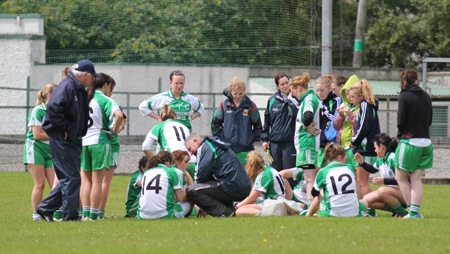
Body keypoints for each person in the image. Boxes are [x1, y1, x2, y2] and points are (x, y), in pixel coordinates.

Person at [37, 60, 98, 222]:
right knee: (71, 178)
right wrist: (64, 129)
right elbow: (53, 108)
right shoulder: (68, 87)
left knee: (69, 177)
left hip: (72, 137)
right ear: (85, 75)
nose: (93, 79)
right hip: (63, 137)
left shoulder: (76, 88)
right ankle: (70, 216)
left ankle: (46, 208)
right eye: (92, 76)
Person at [80, 73, 123, 221]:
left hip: (84, 141)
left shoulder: (85, 97)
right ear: (105, 85)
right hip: (99, 141)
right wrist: (113, 131)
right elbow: (119, 115)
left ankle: (85, 214)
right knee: (97, 181)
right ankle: (94, 215)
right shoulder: (104, 99)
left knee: (86, 180)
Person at [395, 69, 433, 219]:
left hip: (410, 142)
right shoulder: (426, 95)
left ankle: (412, 213)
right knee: (416, 179)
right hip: (426, 142)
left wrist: (400, 136)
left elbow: (400, 121)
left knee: (401, 177)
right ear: (417, 81)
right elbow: (429, 120)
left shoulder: (404, 96)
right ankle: (416, 213)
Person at [185, 133, 251, 217]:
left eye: (190, 149)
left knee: (192, 190)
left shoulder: (205, 147)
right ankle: (230, 211)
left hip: (231, 186)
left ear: (196, 141)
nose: (190, 153)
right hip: (243, 187)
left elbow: (201, 175)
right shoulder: (216, 144)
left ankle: (224, 213)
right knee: (216, 185)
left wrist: (200, 202)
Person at [24, 83, 58, 221]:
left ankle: (52, 212)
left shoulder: (55, 110)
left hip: (50, 149)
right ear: (49, 95)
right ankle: (36, 214)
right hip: (35, 148)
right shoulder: (39, 110)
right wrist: (57, 135)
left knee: (54, 184)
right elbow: (37, 135)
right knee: (40, 183)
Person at [306, 143, 368, 217]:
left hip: (333, 213)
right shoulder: (350, 168)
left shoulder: (323, 171)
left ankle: (308, 214)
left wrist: (323, 193)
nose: (346, 160)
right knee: (364, 201)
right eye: (345, 158)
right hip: (354, 212)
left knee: (320, 192)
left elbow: (314, 193)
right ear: (340, 157)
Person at [354, 133, 407, 217]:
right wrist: (362, 162)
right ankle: (394, 210)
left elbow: (403, 178)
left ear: (382, 147)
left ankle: (404, 214)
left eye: (375, 148)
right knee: (366, 199)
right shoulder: (381, 160)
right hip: (391, 192)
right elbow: (372, 169)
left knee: (382, 191)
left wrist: (384, 180)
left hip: (405, 193)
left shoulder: (392, 158)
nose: (375, 150)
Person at [211, 77, 262, 164]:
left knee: (247, 176)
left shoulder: (250, 106)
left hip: (246, 150)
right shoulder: (225, 105)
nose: (238, 96)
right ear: (231, 92)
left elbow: (258, 125)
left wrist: (251, 138)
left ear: (244, 91)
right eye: (235, 94)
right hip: (228, 149)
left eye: (240, 93)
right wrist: (222, 138)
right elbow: (215, 122)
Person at [348, 79, 380, 217]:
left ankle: (371, 209)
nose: (350, 99)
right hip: (362, 148)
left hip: (366, 149)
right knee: (359, 181)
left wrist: (354, 140)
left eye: (353, 96)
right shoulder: (365, 105)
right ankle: (363, 208)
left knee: (362, 182)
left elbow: (364, 127)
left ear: (360, 96)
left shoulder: (366, 105)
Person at [261, 73, 299, 187]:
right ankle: (277, 197)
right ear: (278, 86)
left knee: (289, 173)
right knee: (275, 173)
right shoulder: (272, 100)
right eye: (282, 84)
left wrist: (290, 101)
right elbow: (267, 120)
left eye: (287, 83)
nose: (286, 85)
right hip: (275, 143)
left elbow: (299, 115)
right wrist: (265, 139)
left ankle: (291, 199)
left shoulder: (295, 99)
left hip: (290, 143)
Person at [98, 73, 126, 219]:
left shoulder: (92, 101)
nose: (111, 92)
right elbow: (121, 121)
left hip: (94, 141)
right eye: (111, 88)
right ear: (106, 86)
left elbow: (122, 122)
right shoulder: (108, 102)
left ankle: (88, 211)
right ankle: (99, 213)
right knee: (104, 180)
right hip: (108, 142)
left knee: (90, 179)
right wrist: (113, 132)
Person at [142, 104, 195, 179]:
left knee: (173, 189)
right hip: (191, 161)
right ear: (175, 118)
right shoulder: (184, 127)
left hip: (175, 161)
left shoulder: (160, 126)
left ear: (162, 118)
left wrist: (154, 162)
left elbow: (145, 146)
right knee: (191, 189)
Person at [291, 72, 321, 207]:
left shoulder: (309, 99)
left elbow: (308, 116)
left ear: (299, 88)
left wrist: (305, 126)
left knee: (309, 179)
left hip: (307, 143)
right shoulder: (307, 99)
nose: (293, 94)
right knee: (309, 177)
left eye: (293, 91)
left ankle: (310, 205)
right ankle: (311, 204)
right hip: (305, 144)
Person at [139, 70, 204, 130]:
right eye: (176, 83)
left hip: (185, 135)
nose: (179, 86)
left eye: (181, 83)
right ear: (171, 83)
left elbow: (201, 107)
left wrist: (190, 118)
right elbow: (143, 106)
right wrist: (158, 118)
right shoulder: (162, 97)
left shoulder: (190, 99)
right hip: (168, 134)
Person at [137, 151, 190, 219]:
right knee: (190, 201)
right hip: (164, 214)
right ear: (168, 162)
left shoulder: (147, 172)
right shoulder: (171, 172)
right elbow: (181, 198)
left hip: (142, 215)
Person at [235, 151, 291, 216]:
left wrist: (236, 206)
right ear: (263, 159)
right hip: (277, 201)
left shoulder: (264, 175)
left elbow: (252, 198)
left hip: (274, 204)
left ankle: (266, 214)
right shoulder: (268, 170)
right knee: (244, 206)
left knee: (240, 210)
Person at [315, 74, 339, 168]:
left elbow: (334, 120)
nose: (319, 93)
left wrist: (324, 112)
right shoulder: (316, 101)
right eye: (317, 90)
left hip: (331, 144)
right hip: (318, 143)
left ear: (330, 88)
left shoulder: (336, 101)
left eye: (322, 90)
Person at [324, 75, 348, 144]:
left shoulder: (346, 104)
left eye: (334, 89)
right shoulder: (340, 102)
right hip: (335, 141)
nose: (333, 92)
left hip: (342, 143)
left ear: (342, 87)